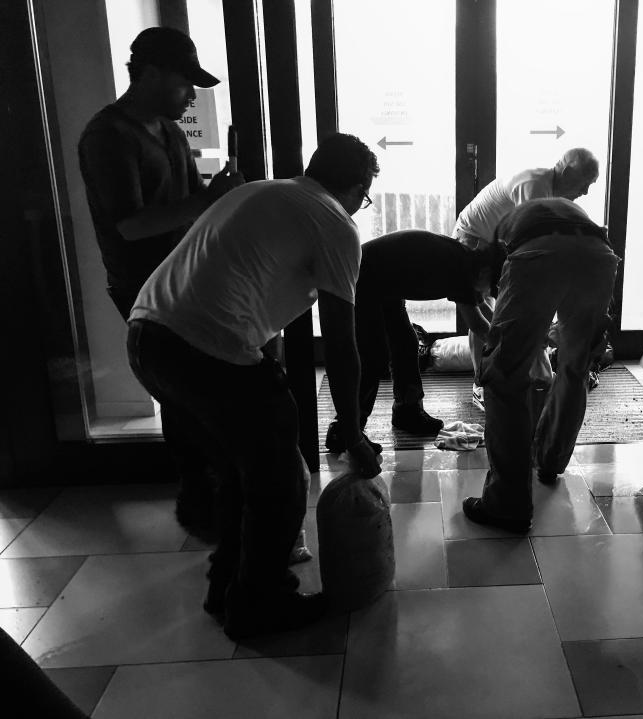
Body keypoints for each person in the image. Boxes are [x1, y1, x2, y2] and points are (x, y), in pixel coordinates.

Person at [126, 133, 382, 639]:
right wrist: (353, 435)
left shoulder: (261, 192)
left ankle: (227, 588)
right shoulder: (334, 222)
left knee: (241, 472)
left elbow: (248, 279)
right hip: (205, 346)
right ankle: (258, 607)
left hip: (145, 338)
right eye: (365, 196)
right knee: (282, 480)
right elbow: (340, 345)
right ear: (356, 187)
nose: (361, 206)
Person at [78, 27, 244, 538]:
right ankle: (201, 503)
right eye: (184, 83)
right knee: (181, 393)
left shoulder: (169, 131)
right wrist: (208, 200)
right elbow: (129, 224)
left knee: (193, 392)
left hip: (183, 278)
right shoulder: (107, 136)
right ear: (149, 73)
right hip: (141, 288)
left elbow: (191, 209)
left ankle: (209, 497)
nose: (192, 96)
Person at [461, 198, 619, 533]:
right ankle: (549, 460)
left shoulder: (500, 246)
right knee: (575, 368)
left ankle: (507, 505)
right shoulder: (541, 210)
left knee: (504, 378)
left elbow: (509, 305)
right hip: (600, 255)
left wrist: (507, 349)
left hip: (541, 252)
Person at [327, 229, 505, 446]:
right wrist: (511, 347)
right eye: (493, 287)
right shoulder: (464, 270)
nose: (490, 293)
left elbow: (486, 315)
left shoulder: (469, 262)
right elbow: (478, 325)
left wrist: (508, 334)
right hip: (362, 277)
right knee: (373, 354)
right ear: (486, 272)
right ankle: (345, 429)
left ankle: (407, 412)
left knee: (406, 343)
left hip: (386, 284)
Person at [453, 148, 601, 410]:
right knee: (481, 312)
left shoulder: (551, 191)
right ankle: (481, 384)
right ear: (567, 172)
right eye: (585, 183)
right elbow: (531, 246)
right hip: (474, 239)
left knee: (501, 313)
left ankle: (506, 375)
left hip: (496, 243)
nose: (586, 193)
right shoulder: (534, 186)